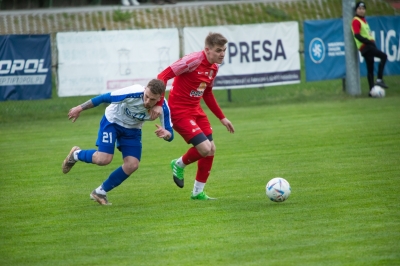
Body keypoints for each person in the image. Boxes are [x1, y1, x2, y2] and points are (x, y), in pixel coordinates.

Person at [61, 79, 173, 205]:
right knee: (103, 159)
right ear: (145, 89)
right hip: (113, 121)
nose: (147, 101)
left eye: (152, 99)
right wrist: (79, 108)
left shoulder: (163, 108)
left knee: (132, 165)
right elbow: (103, 98)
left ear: (160, 97)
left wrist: (166, 135)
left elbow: (170, 134)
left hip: (133, 130)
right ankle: (76, 154)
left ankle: (100, 192)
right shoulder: (133, 92)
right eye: (146, 96)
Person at [156, 32, 235, 200]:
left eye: (224, 50)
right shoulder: (192, 61)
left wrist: (222, 117)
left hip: (196, 111)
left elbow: (207, 94)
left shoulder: (213, 68)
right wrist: (159, 105)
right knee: (205, 148)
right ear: (207, 50)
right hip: (179, 112)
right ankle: (178, 164)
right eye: (219, 50)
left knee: (211, 149)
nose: (222, 54)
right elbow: (163, 76)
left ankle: (197, 192)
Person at [351, 1, 389, 95]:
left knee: (370, 68)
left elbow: (368, 34)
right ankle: (379, 79)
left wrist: (372, 43)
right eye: (359, 9)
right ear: (356, 10)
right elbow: (357, 35)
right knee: (383, 56)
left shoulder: (364, 21)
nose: (361, 11)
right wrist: (368, 42)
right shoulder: (356, 20)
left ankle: (372, 91)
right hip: (366, 47)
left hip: (368, 46)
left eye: (363, 9)